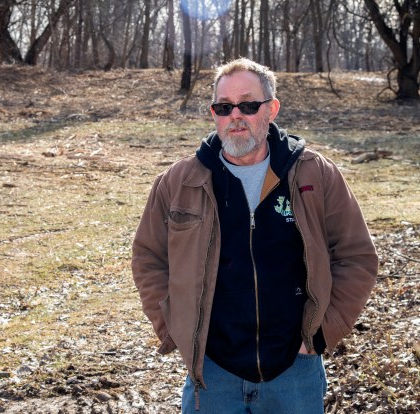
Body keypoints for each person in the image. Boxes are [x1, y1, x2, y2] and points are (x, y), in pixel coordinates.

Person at [131, 58, 378, 413]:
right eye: (224, 107)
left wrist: (321, 333)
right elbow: (148, 258)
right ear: (213, 113)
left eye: (248, 105)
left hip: (295, 372)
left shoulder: (314, 174)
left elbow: (356, 256)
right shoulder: (178, 182)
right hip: (212, 373)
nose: (235, 116)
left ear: (271, 109)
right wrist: (175, 331)